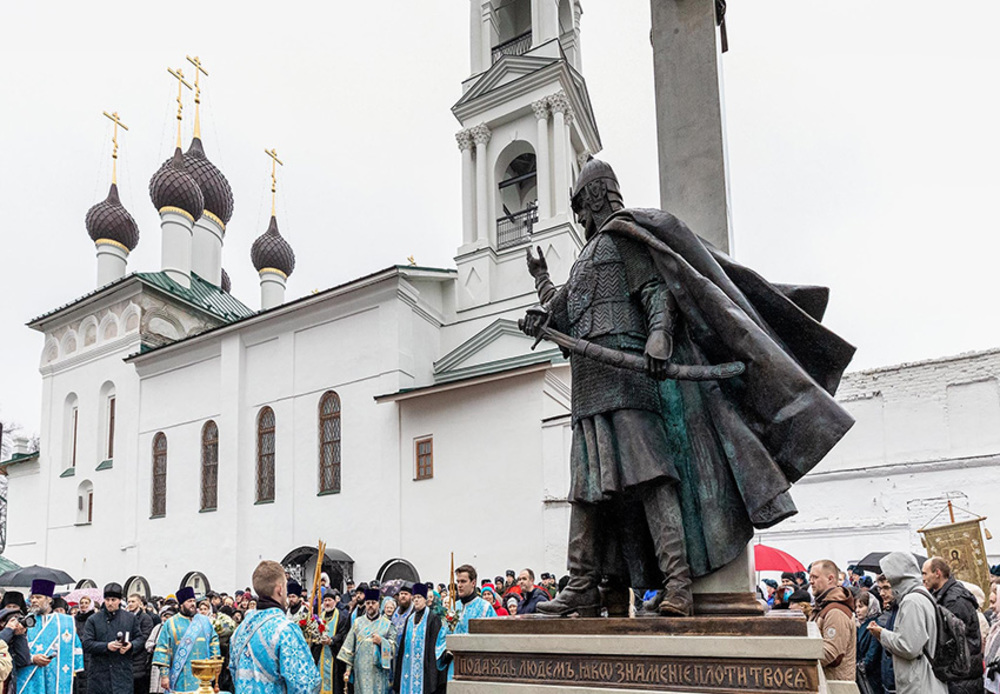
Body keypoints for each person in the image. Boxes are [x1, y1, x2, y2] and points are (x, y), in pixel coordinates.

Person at [521, 157, 855, 618]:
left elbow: (656, 291)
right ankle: (583, 584)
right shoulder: (585, 260)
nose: (579, 217)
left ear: (596, 196)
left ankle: (678, 584)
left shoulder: (621, 238)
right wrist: (541, 288)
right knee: (588, 487)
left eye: (580, 205)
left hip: (629, 380)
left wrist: (659, 334)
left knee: (651, 477)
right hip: (590, 385)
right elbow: (565, 313)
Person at [229, 560, 320, 694]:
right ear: (280, 589)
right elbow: (304, 685)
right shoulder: (286, 630)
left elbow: (233, 671)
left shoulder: (240, 630)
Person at [868, 552, 946, 694]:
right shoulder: (920, 594)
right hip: (924, 680)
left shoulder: (912, 601)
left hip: (919, 684)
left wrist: (882, 634)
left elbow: (909, 647)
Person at [921, 557, 985, 694]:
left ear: (937, 573)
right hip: (959, 675)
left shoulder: (954, 600)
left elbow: (957, 640)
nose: (923, 578)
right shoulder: (944, 595)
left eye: (925, 573)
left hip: (962, 677)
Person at [16, 579, 84, 694]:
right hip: (31, 675)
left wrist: (76, 673)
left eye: (38, 597)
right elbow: (16, 649)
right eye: (32, 597)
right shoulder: (24, 621)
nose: (34, 601)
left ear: (49, 599)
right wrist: (33, 658)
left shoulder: (66, 622)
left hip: (56, 675)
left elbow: (75, 648)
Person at [152, 587, 220, 694]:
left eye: (194, 601)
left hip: (204, 676)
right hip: (180, 676)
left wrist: (215, 662)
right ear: (181, 604)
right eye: (189, 601)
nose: (193, 604)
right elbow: (163, 651)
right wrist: (164, 676)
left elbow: (214, 641)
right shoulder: (171, 624)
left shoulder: (204, 621)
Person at [434, 565, 494, 681]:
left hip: (477, 668)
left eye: (463, 581)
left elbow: (493, 640)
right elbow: (443, 635)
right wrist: (445, 651)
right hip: (455, 667)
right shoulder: (454, 607)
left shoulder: (485, 608)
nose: (459, 585)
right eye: (458, 581)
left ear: (473, 582)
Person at [82, 583, 139, 694]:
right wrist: (106, 646)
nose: (110, 603)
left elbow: (140, 638)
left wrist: (131, 645)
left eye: (113, 600)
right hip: (99, 675)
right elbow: (87, 643)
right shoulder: (93, 619)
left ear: (120, 600)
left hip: (122, 672)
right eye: (107, 600)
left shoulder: (130, 618)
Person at [336, 589, 395, 694]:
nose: (370, 605)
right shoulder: (357, 623)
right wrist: (348, 670)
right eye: (368, 603)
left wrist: (382, 642)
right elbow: (350, 648)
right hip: (360, 671)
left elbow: (394, 649)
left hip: (379, 673)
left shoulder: (387, 624)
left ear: (379, 604)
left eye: (373, 603)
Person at [808, 559, 856, 681]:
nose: (811, 582)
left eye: (815, 577)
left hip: (834, 685)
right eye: (810, 577)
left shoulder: (835, 611)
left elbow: (832, 653)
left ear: (830, 579)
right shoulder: (822, 607)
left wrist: (800, 657)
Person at [392, 585, 444, 694]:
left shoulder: (433, 618)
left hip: (425, 670)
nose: (416, 600)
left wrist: (432, 675)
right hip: (408, 668)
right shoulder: (409, 619)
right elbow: (403, 647)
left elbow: (434, 648)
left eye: (419, 597)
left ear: (425, 599)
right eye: (414, 597)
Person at [311, 591, 349, 694]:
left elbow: (343, 634)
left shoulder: (342, 617)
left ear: (335, 602)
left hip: (334, 657)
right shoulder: (319, 617)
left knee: (335, 685)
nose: (327, 603)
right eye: (325, 600)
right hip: (320, 656)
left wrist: (331, 640)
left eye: (329, 600)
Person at [855, 591, 883, 693]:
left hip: (871, 677)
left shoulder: (875, 624)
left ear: (870, 606)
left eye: (861, 607)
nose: (857, 610)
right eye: (856, 607)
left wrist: (860, 667)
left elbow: (872, 654)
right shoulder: (859, 625)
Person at [125, 596, 152, 694]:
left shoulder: (145, 618)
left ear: (139, 603)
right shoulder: (125, 617)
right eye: (129, 602)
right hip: (126, 657)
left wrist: (132, 646)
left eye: (133, 601)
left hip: (139, 658)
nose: (130, 604)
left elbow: (145, 637)